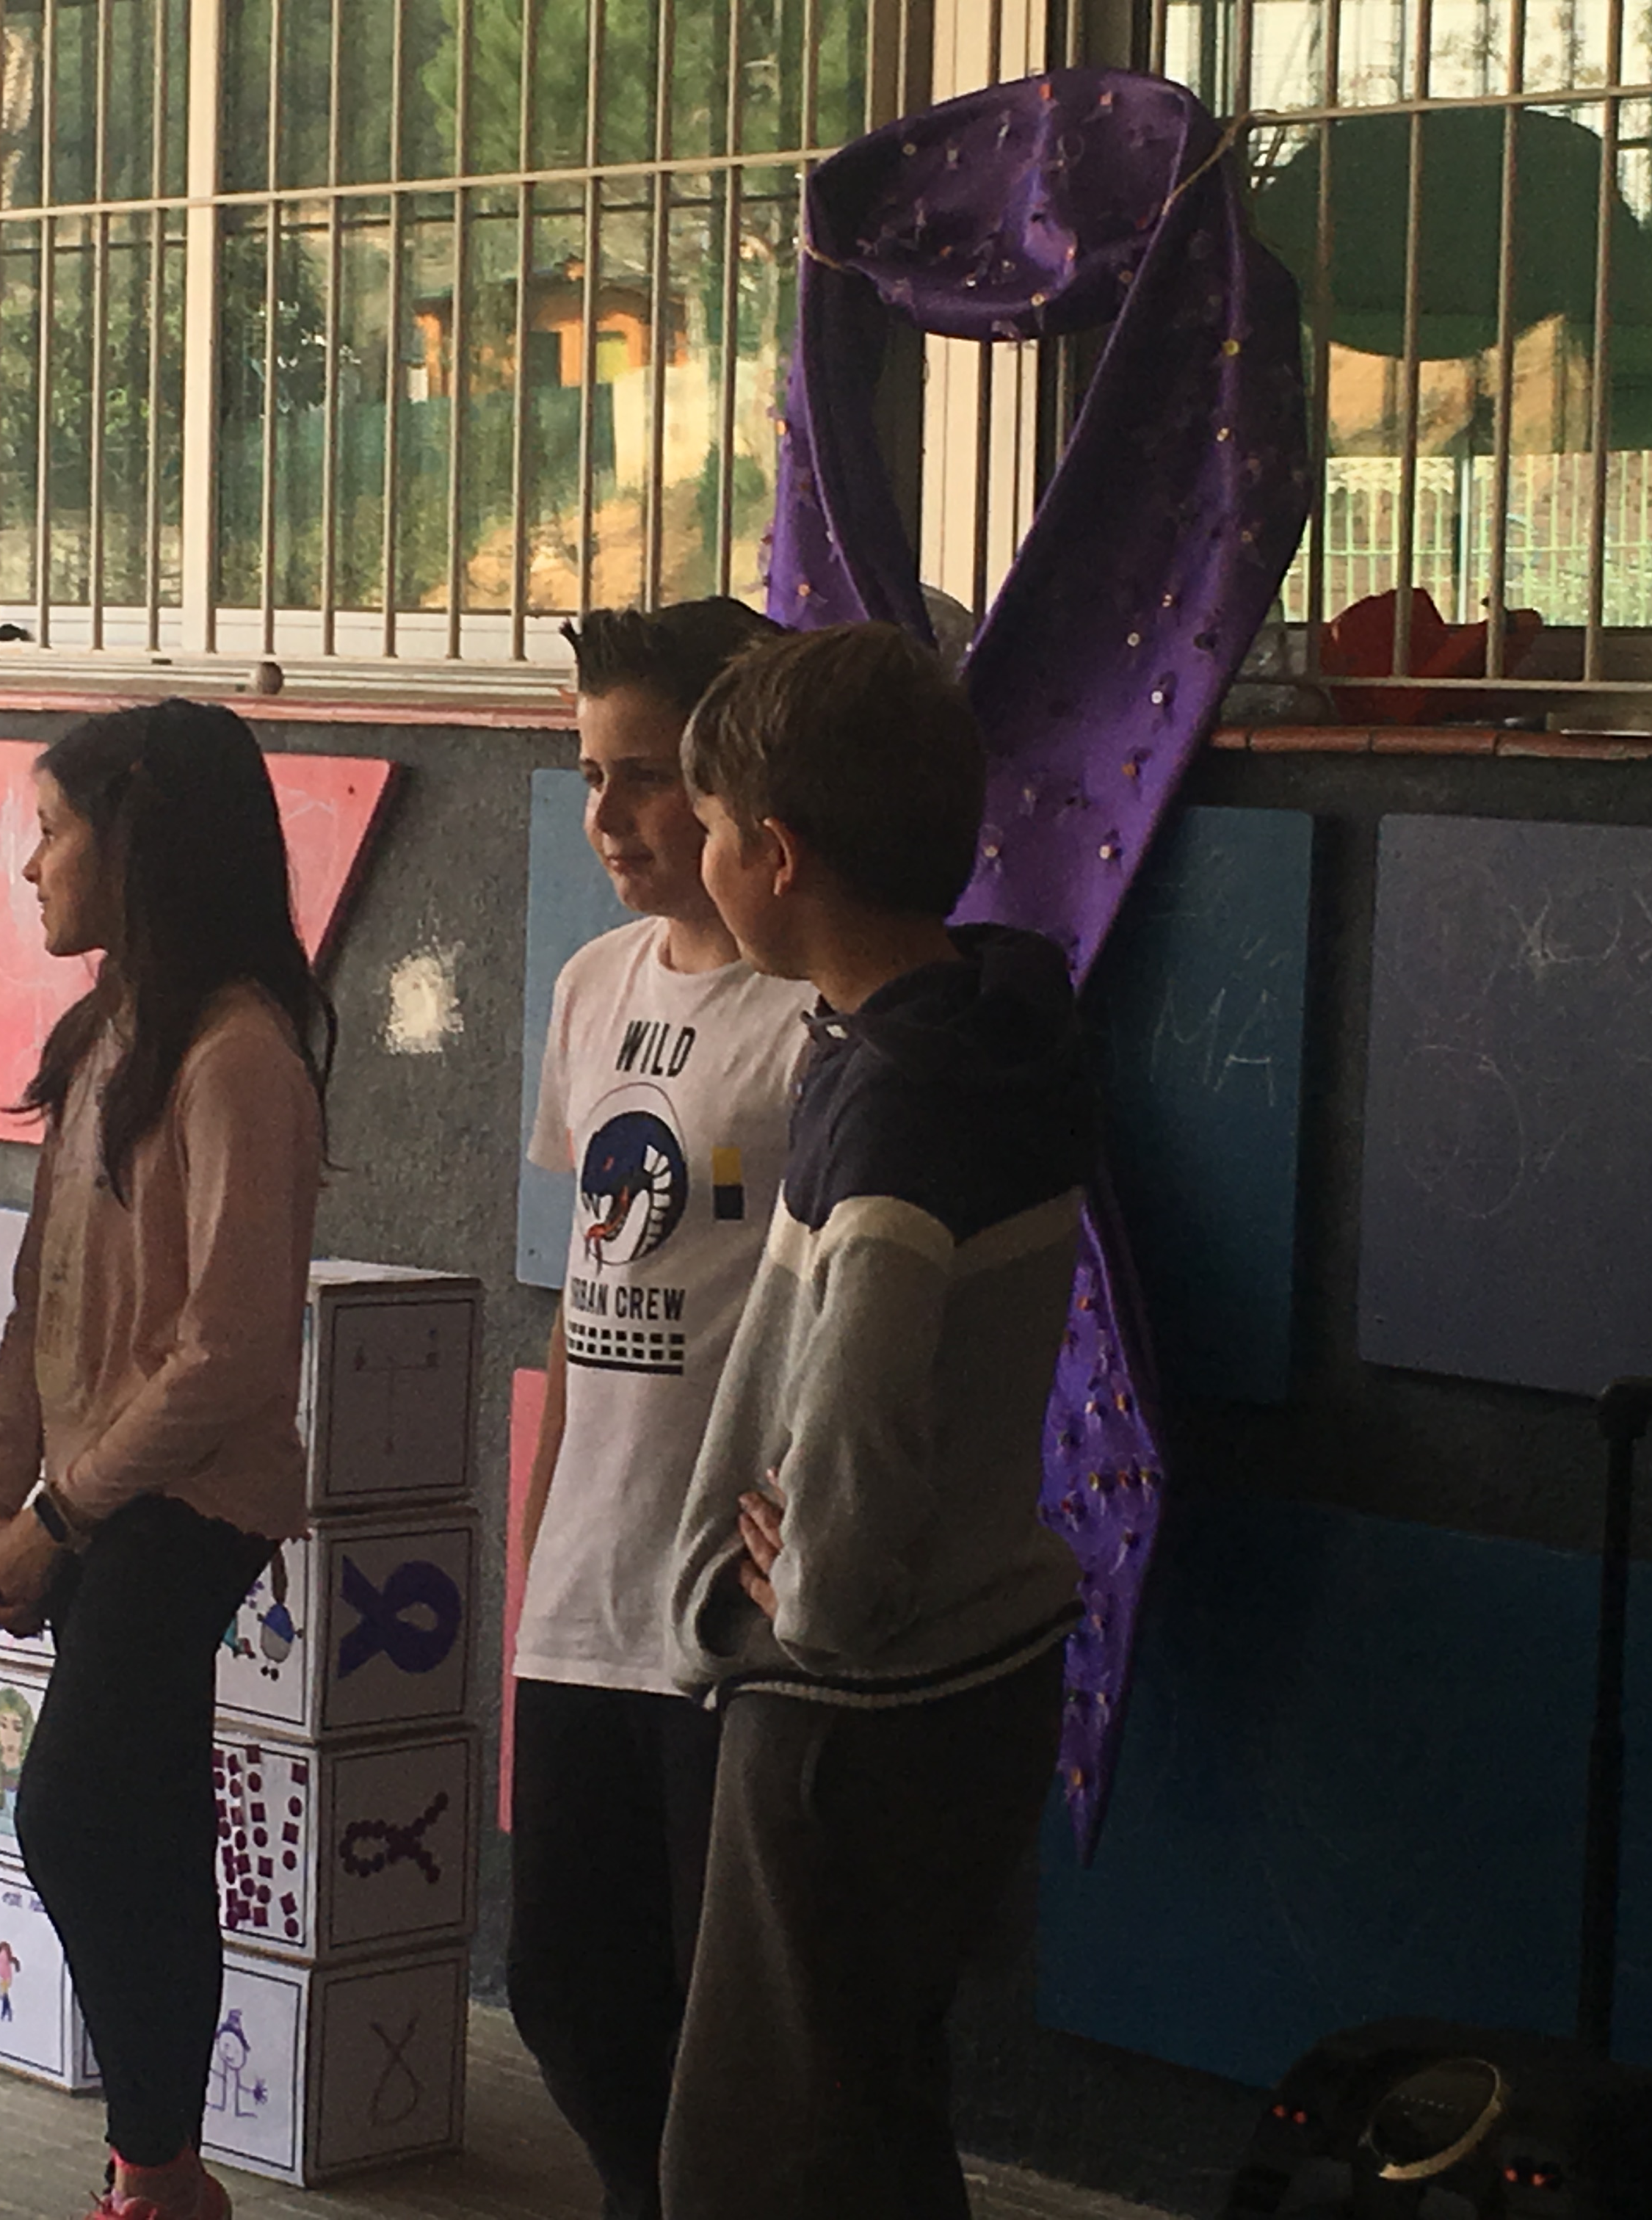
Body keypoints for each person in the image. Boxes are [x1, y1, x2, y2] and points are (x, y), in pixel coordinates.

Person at [657, 623, 1093, 2220]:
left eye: (710, 827)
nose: (698, 858)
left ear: (776, 858)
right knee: (876, 2132)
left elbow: (857, 1406)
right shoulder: (993, 1020)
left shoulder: (897, 1104)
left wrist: (821, 1589)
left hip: (856, 1707)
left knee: (756, 2164)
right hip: (977, 1685)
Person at [0, 700, 336, 2220]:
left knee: (73, 1811)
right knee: (142, 1819)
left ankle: (160, 2167)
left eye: (53, 833)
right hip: (92, 1490)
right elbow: (40, 1288)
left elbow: (226, 1354)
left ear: (138, 842)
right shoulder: (106, 1035)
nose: (31, 867)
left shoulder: (237, 1055)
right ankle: (160, 2172)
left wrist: (58, 1513)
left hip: (184, 1500)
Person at [509, 597, 801, 2220]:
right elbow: (585, 1282)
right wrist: (546, 1533)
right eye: (590, 775)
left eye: (646, 776)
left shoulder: (814, 1015)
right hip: (586, 1590)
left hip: (728, 1609)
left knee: (727, 2020)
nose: (609, 816)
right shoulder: (593, 984)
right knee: (564, 1985)